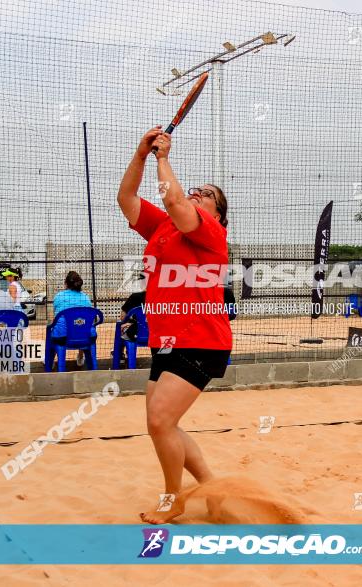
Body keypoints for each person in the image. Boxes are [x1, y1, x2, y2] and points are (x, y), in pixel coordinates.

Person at [117, 126, 232, 524]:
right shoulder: (164, 226)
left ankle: (173, 500)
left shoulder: (209, 231)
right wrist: (141, 153)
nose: (199, 193)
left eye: (209, 195)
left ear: (217, 213)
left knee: (159, 420)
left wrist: (164, 158)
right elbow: (126, 199)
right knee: (164, 424)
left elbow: (180, 205)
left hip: (201, 340)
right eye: (197, 189)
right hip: (167, 339)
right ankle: (213, 489)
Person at [49, 271, 96, 366]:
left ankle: (50, 361)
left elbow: (54, 318)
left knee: (53, 328)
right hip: (85, 338)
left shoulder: (59, 296)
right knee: (81, 326)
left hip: (62, 338)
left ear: (66, 284)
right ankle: (80, 356)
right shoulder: (86, 298)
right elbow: (91, 319)